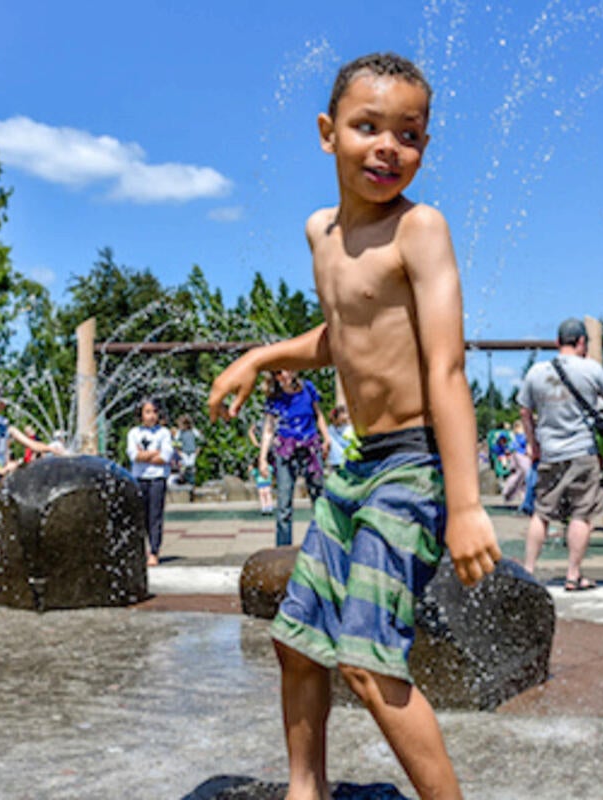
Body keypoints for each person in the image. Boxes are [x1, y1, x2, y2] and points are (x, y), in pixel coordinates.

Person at [206, 52, 500, 800]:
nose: (387, 147)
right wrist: (261, 356)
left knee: (367, 661)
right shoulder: (322, 235)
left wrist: (465, 505)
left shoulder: (419, 229)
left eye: (409, 134)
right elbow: (343, 333)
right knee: (297, 640)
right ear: (327, 133)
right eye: (367, 126)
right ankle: (308, 792)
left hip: (413, 465)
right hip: (359, 462)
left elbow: (447, 370)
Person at [519, 318, 603, 591]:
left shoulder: (536, 372)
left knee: (541, 513)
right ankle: (573, 575)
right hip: (581, 450)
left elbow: (524, 411)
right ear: (581, 343)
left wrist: (533, 443)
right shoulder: (591, 368)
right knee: (581, 513)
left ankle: (528, 571)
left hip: (549, 451)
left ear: (557, 342)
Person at [0, 386, 64, 606]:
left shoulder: (4, 426)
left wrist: (52, 450)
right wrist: (0, 470)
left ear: (1, 405)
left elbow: (30, 444)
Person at [260, 370, 330, 547]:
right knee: (284, 505)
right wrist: (262, 459)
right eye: (277, 373)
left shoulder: (308, 388)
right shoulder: (274, 397)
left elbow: (318, 415)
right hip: (285, 451)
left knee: (319, 499)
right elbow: (268, 430)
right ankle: (283, 549)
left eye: (284, 370)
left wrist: (327, 438)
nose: (282, 376)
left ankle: (324, 545)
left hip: (310, 449)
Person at [127, 398, 175, 566]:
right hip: (139, 479)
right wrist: (154, 453)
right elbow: (134, 456)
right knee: (140, 517)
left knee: (155, 516)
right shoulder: (134, 433)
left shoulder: (164, 433)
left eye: (154, 412)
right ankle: (140, 550)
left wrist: (145, 456)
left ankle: (154, 551)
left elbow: (165, 457)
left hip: (157, 479)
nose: (152, 416)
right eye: (148, 412)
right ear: (140, 414)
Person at [173, 414, 203, 485]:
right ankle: (183, 478)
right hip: (184, 452)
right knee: (185, 465)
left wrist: (198, 449)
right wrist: (178, 451)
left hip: (192, 452)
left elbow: (200, 439)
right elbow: (175, 442)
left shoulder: (193, 431)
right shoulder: (180, 432)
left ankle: (192, 481)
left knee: (191, 465)